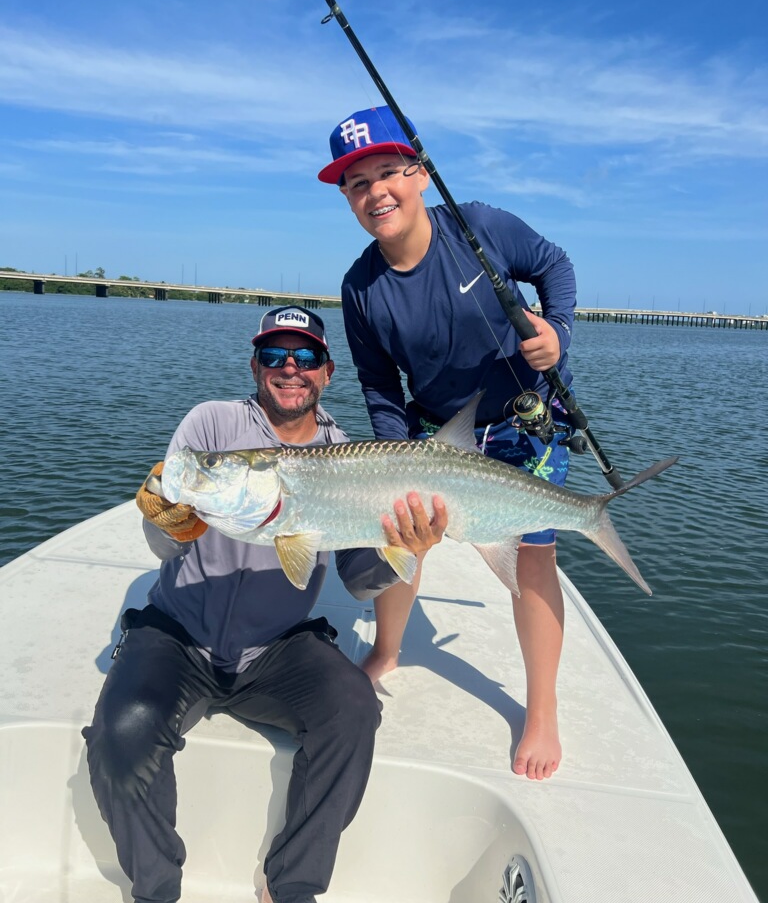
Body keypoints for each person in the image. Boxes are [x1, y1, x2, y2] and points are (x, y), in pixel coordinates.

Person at [83, 304, 447, 903]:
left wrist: (407, 550)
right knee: (119, 734)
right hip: (177, 634)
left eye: (305, 357)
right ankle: (155, 888)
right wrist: (173, 520)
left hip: (277, 646)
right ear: (255, 365)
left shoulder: (349, 458)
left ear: (326, 372)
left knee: (355, 712)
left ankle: (293, 886)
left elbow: (359, 579)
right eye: (275, 355)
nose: (290, 369)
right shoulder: (211, 427)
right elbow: (160, 539)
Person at [318, 106, 577, 781]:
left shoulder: (479, 227)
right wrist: (397, 467)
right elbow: (379, 387)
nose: (376, 192)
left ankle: (542, 709)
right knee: (402, 537)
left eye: (387, 173)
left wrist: (560, 335)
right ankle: (389, 650)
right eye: (356, 184)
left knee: (533, 559)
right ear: (346, 200)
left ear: (420, 175)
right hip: (435, 429)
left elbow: (555, 264)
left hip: (525, 422)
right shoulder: (359, 287)